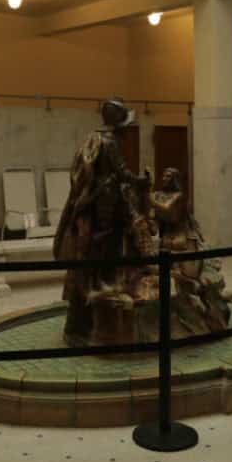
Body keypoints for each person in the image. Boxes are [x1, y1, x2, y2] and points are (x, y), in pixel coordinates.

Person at [54, 98, 152, 343]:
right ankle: (89, 326)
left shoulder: (93, 138)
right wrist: (143, 181)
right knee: (98, 268)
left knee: (90, 269)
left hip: (95, 214)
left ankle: (83, 325)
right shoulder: (110, 142)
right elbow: (122, 174)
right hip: (105, 217)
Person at [151, 167, 230, 332]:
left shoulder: (178, 197)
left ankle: (203, 309)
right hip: (166, 241)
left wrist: (147, 197)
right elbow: (155, 221)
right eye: (164, 175)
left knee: (184, 276)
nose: (165, 178)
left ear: (175, 179)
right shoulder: (157, 195)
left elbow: (167, 211)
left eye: (169, 176)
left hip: (183, 241)